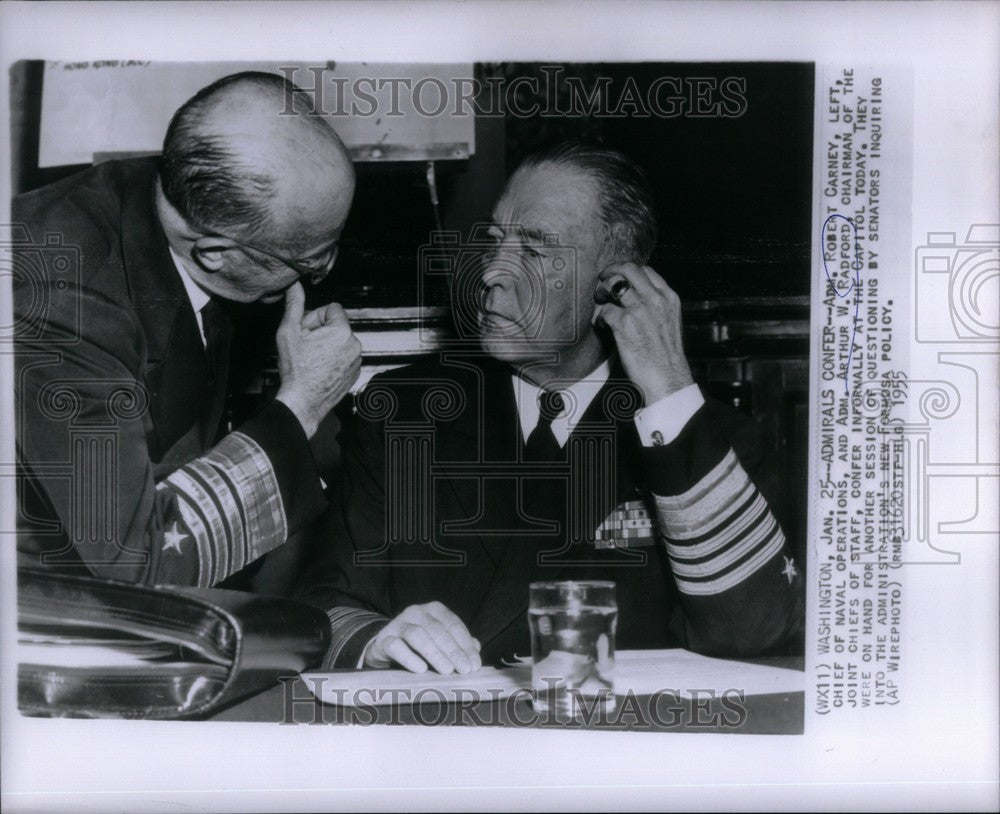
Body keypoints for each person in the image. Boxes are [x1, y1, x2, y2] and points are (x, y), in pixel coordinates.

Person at [297, 141, 803, 673]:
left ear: (616, 287)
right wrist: (376, 639)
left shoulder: (705, 439)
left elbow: (754, 633)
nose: (491, 273)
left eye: (536, 250)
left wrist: (670, 393)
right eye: (494, 241)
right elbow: (322, 609)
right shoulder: (400, 414)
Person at [14, 71, 362, 587]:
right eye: (311, 261)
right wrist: (303, 404)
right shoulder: (63, 311)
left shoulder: (167, 202)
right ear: (216, 253)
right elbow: (138, 563)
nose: (317, 278)